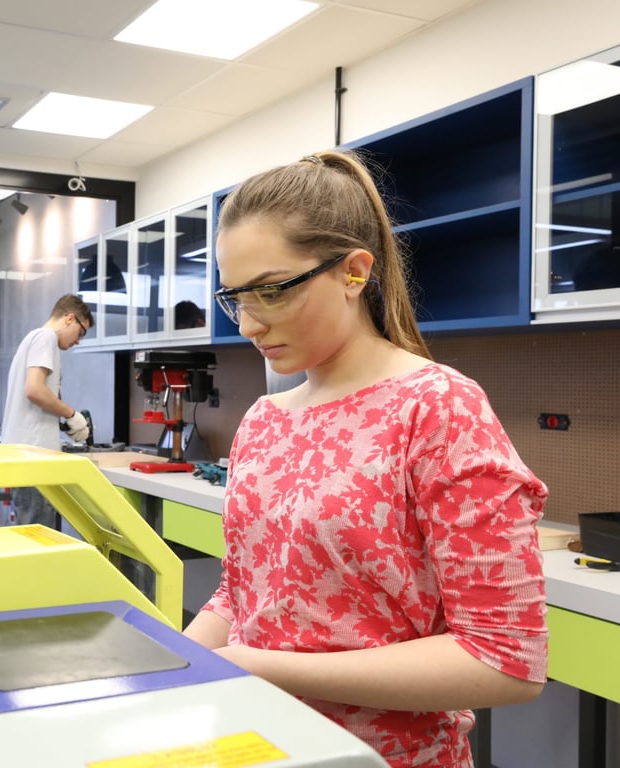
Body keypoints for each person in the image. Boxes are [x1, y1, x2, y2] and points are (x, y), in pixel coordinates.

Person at [184, 150, 548, 768]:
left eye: (271, 292)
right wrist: (175, 662)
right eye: (235, 298)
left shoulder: (437, 408)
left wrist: (260, 666)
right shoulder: (264, 420)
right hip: (257, 744)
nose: (248, 324)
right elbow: (244, 592)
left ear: (353, 273)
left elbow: (504, 659)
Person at [1, 294, 93, 528]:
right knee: (39, 535)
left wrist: (63, 422)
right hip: (34, 458)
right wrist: (71, 414)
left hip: (24, 455)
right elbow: (35, 390)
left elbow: (37, 398)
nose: (78, 341)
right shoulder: (46, 337)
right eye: (81, 332)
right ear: (69, 319)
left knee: (30, 531)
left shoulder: (33, 339)